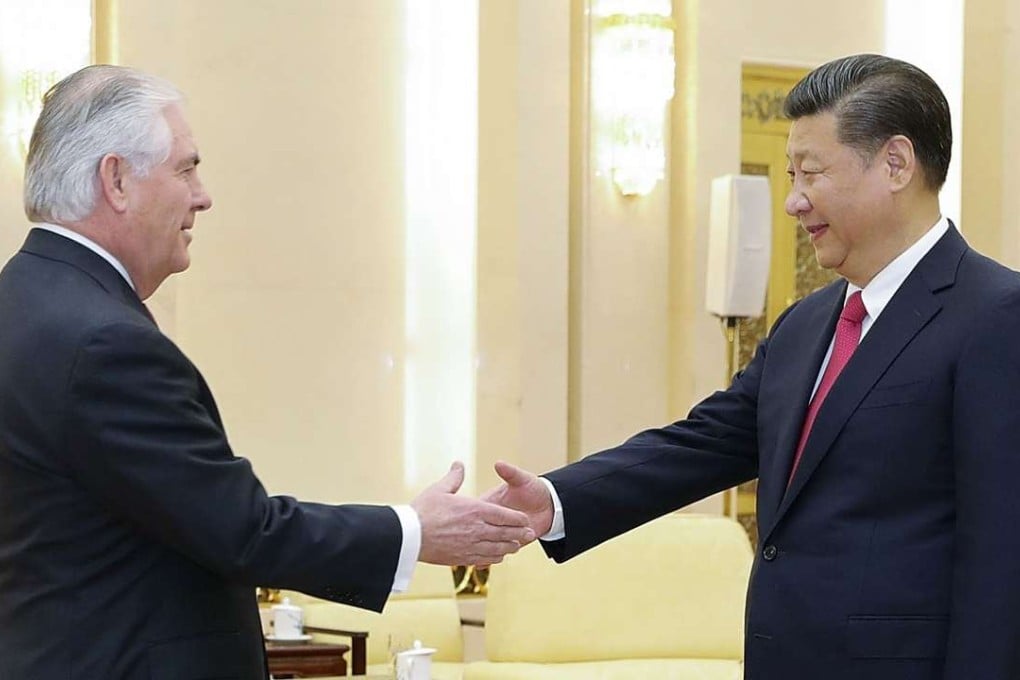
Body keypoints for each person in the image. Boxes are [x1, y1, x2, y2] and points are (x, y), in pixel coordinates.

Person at [484, 53, 1020, 679]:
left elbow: (1001, 557)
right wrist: (555, 501)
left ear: (896, 163)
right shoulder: (804, 325)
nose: (793, 201)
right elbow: (702, 444)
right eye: (791, 174)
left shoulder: (995, 316)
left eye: (811, 173)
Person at [0, 65, 533, 679]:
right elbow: (242, 531)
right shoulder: (103, 341)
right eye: (185, 169)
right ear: (116, 180)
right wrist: (413, 531)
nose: (202, 196)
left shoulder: (24, 301)